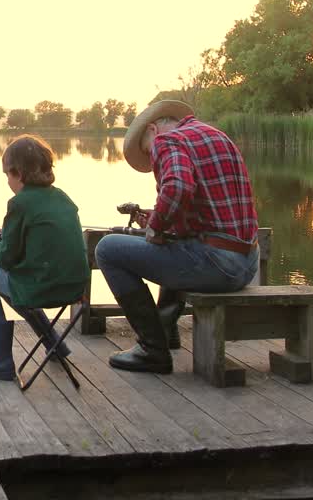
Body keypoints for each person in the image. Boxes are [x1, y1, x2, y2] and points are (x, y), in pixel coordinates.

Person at [96, 100, 259, 374]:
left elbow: (177, 187)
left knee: (107, 249)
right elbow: (207, 207)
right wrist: (160, 219)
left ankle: (152, 349)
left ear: (152, 130)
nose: (152, 158)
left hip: (217, 265)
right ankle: (166, 331)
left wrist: (155, 229)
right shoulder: (217, 135)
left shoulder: (167, 141)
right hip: (247, 265)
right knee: (172, 243)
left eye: (147, 151)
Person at [0, 135, 90, 380]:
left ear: (19, 174)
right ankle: (54, 344)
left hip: (42, 290)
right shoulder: (62, 197)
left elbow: (6, 258)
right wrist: (3, 235)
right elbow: (39, 243)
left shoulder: (19, 203)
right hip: (75, 290)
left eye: (7, 175)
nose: (7, 181)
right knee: (14, 278)